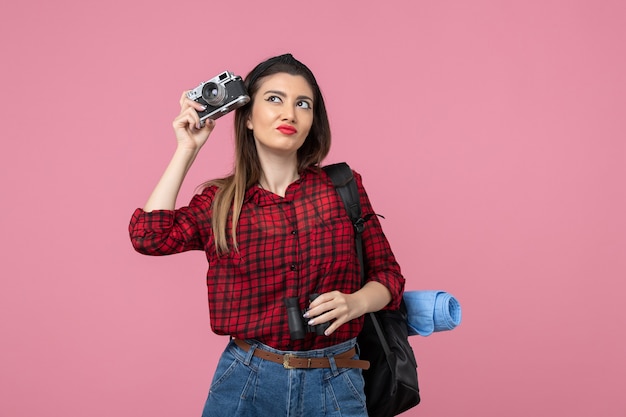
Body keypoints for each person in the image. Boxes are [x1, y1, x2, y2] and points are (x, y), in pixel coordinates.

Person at [129, 53, 405, 417]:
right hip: (246, 381)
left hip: (337, 381)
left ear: (312, 121)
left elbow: (389, 276)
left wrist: (356, 303)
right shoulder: (220, 202)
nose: (289, 113)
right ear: (246, 117)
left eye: (302, 104)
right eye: (274, 99)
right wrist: (187, 149)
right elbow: (150, 236)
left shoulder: (343, 187)